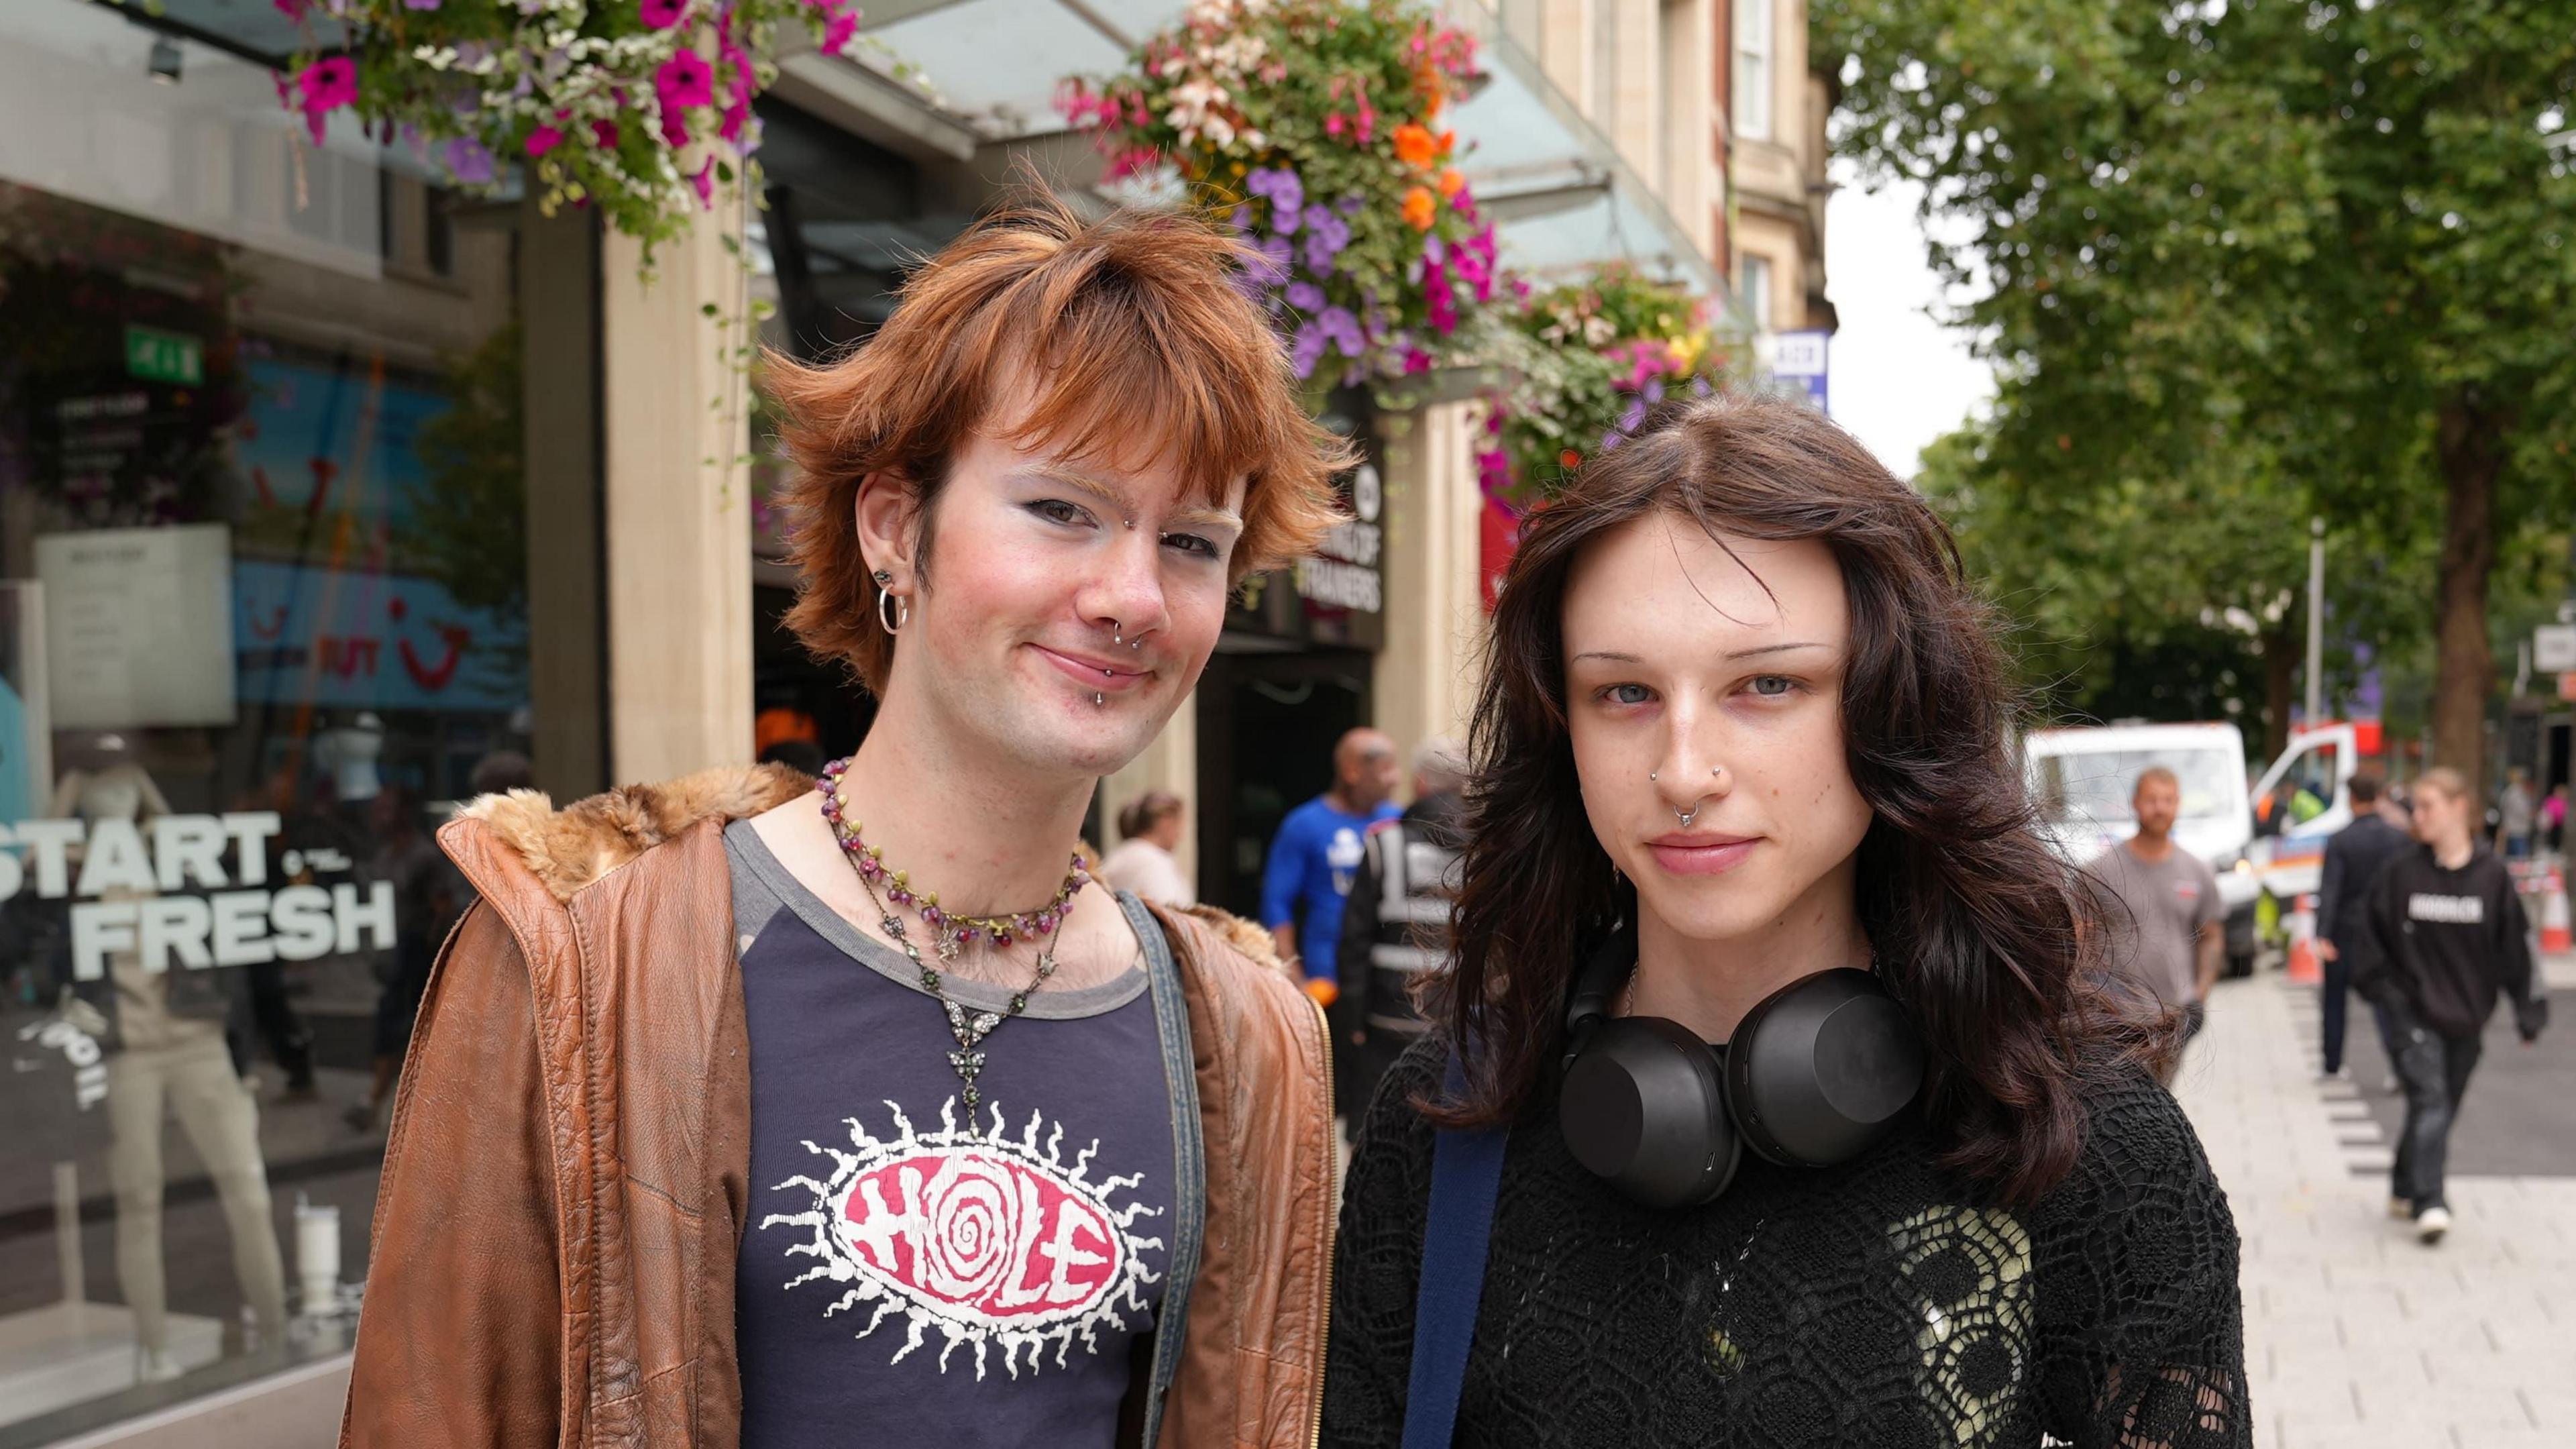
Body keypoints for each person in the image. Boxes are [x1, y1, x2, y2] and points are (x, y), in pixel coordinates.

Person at [342, 190, 1352, 1448]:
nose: (1132, 596)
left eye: (1192, 541)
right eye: (1062, 509)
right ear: (894, 529)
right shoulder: (583, 962)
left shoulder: (1242, 1037)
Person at [1322, 393, 2246, 1446]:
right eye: (1622, 694)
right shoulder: (1447, 1124)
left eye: (1767, 684)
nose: (1682, 771)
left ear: (1891, 707)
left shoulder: (2090, 1153)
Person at [2355, 767, 2548, 1245]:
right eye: (2415, 806)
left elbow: (2515, 949)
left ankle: (2404, 1185)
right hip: (2411, 1013)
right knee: (2430, 1098)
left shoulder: (2492, 877)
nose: (2416, 815)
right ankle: (2430, 1199)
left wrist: (2529, 1009)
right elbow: (2369, 937)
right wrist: (2385, 993)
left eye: (2428, 806)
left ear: (2460, 808)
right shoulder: (2401, 873)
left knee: (2439, 1105)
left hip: (2467, 1016)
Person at [1332, 737, 1468, 1114]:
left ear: (1420, 784)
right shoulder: (1496, 848)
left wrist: (1352, 1023)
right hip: (1464, 1024)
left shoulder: (1384, 844)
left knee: (1380, 1129)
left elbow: (1354, 941)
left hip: (1389, 1021)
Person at [2082, 767, 2225, 1079]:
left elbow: (2211, 935)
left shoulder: (2196, 871)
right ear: (2135, 803)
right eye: (2151, 800)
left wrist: (2199, 996)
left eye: (2168, 800)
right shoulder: (2099, 872)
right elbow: (2079, 938)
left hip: (2174, 1012)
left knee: (2160, 1098)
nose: (2160, 808)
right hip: (2115, 1016)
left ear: (2178, 804)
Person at [1260, 726, 1401, 992]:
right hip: (1326, 978)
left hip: (1385, 979)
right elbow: (1277, 903)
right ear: (1352, 772)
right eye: (1386, 769)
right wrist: (1291, 973)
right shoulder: (1305, 824)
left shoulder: (1398, 822)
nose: (1396, 778)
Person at [2315, 772, 2410, 1080]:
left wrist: (2323, 934)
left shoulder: (2340, 840)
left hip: (2345, 930)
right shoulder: (2398, 839)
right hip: (2384, 933)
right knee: (2387, 1001)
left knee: (2334, 1000)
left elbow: (2331, 889)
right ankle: (2398, 1066)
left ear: (2352, 798)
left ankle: (2332, 1063)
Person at [1102, 788, 1195, 906]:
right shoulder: (1154, 862)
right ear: (1166, 821)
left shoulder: (1117, 856)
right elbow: (1169, 912)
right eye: (1179, 824)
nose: (1180, 835)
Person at [2494, 767, 2535, 859]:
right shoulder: (2515, 793)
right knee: (2518, 862)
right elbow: (2523, 812)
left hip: (2515, 832)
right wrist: (2533, 814)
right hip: (2516, 832)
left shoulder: (2511, 792)